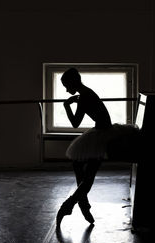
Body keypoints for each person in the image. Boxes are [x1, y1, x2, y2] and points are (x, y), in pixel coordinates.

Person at [56, 68, 139, 228]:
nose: (66, 90)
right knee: (79, 165)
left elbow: (75, 123)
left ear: (73, 82)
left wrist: (67, 106)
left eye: (67, 86)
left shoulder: (85, 96)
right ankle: (82, 203)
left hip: (103, 135)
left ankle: (70, 204)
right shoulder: (85, 93)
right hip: (101, 132)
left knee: (87, 176)